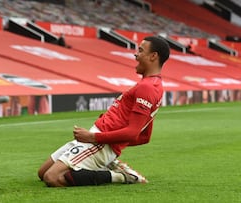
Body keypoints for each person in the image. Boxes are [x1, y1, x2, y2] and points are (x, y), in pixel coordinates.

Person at [37, 36, 170, 187]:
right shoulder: (152, 85)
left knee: (52, 178)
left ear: (154, 56)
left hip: (99, 143)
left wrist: (94, 138)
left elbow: (133, 132)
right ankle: (107, 163)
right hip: (99, 140)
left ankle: (118, 176)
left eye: (140, 51)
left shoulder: (147, 87)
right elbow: (144, 136)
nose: (136, 55)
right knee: (42, 172)